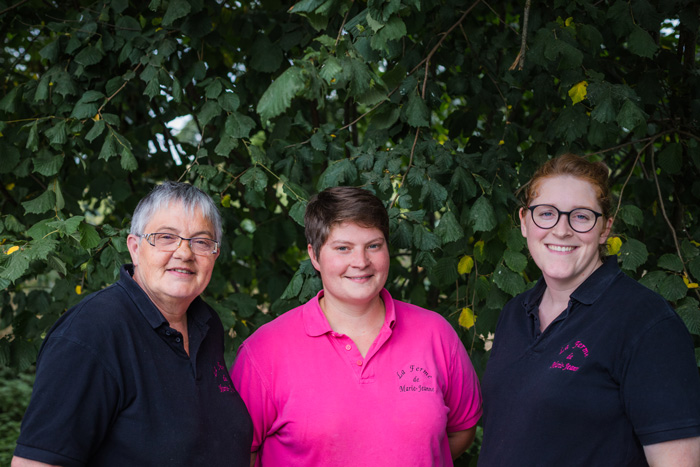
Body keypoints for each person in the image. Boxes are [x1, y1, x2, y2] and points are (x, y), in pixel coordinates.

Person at [231, 186, 482, 466]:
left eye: (373, 246)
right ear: (314, 256)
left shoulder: (435, 333)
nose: (361, 262)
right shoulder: (264, 351)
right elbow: (241, 455)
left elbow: (461, 430)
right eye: (343, 248)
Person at [478, 154, 700, 466]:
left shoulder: (647, 323)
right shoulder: (515, 313)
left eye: (581, 216)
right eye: (546, 213)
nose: (561, 230)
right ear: (525, 222)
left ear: (605, 229)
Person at [12, 181, 253, 467]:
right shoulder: (91, 332)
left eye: (201, 241)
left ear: (214, 254)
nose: (185, 253)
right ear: (135, 248)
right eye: (166, 237)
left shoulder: (207, 324)